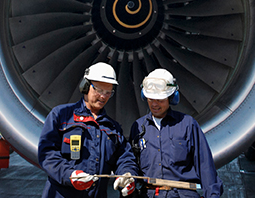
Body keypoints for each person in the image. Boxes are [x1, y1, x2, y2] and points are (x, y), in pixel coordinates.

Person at [38, 62, 139, 198]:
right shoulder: (61, 115)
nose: (103, 96)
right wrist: (70, 175)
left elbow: (124, 157)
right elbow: (47, 154)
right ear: (85, 86)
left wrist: (127, 175)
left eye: (108, 92)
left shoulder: (113, 128)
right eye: (98, 90)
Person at [129, 69, 223, 198]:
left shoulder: (188, 124)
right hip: (149, 194)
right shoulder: (138, 127)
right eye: (151, 99)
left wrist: (213, 195)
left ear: (171, 98)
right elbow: (130, 162)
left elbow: (205, 165)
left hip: (182, 194)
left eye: (160, 100)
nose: (154, 104)